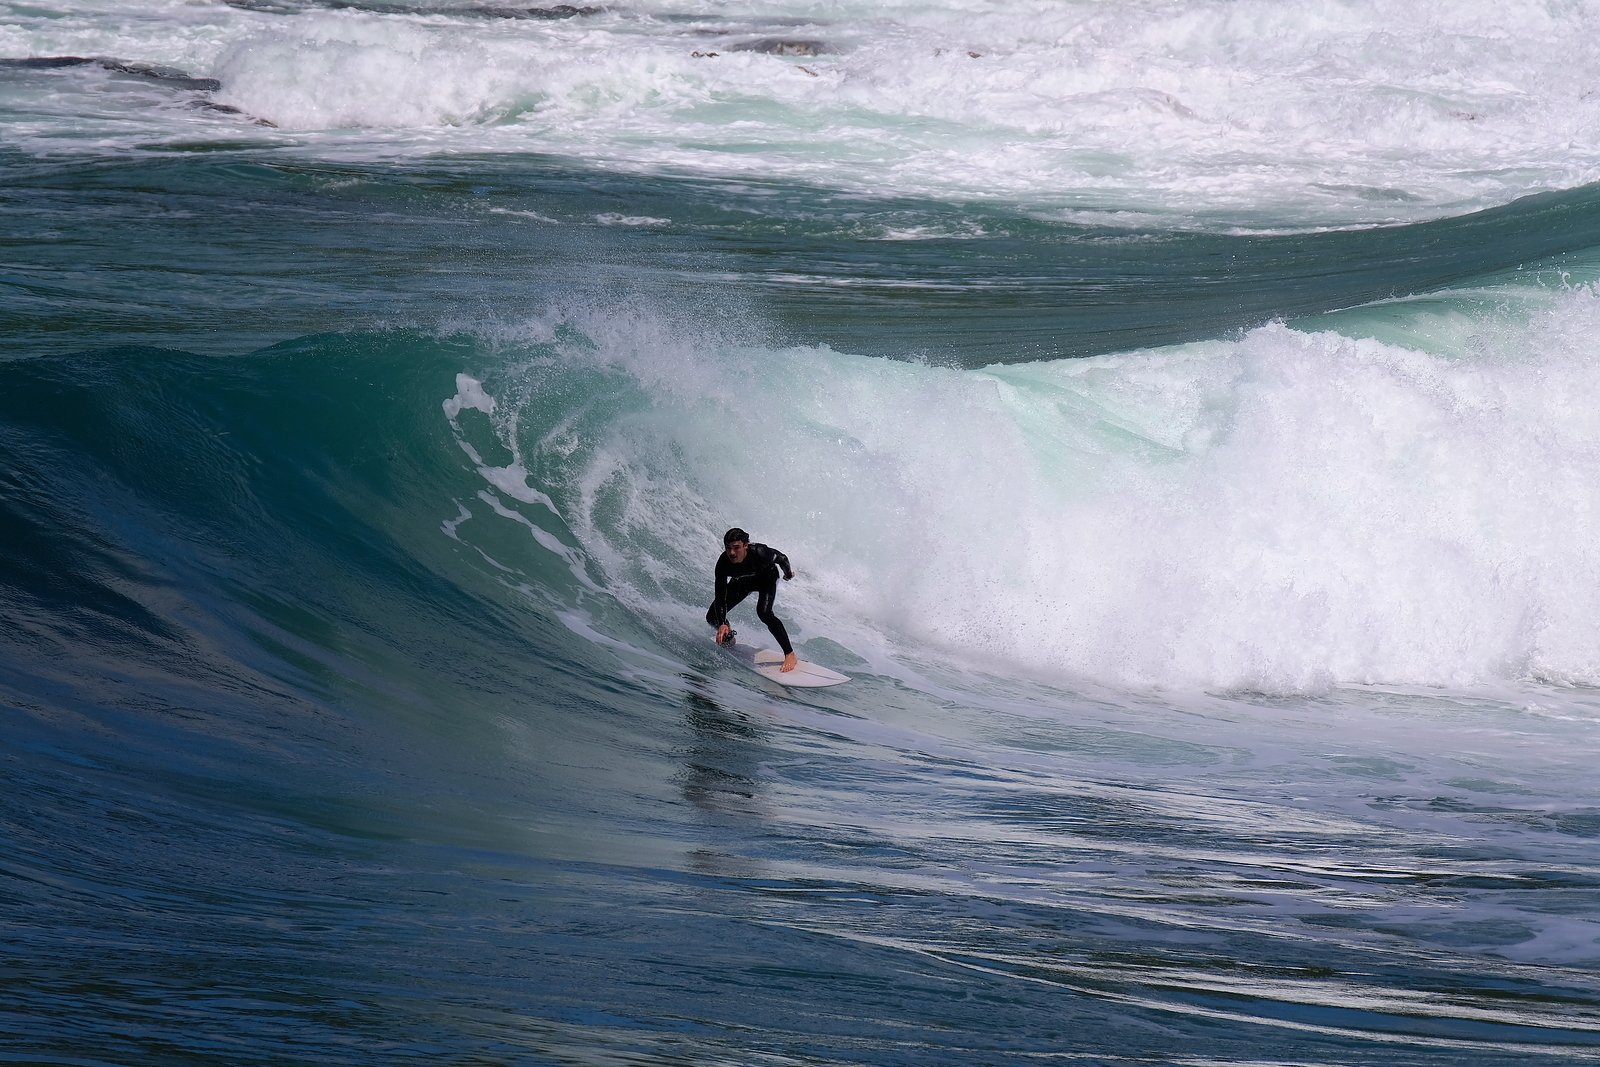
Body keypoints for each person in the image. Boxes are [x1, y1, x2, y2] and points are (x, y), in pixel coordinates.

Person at [708, 527, 798, 673]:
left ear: (745, 545)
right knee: (713, 616)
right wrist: (723, 623)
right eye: (728, 548)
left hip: (766, 579)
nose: (732, 552)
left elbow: (782, 558)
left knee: (764, 613)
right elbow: (720, 595)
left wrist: (788, 574)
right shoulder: (723, 563)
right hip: (742, 583)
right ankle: (729, 637)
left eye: (736, 548)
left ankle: (790, 654)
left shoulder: (761, 553)